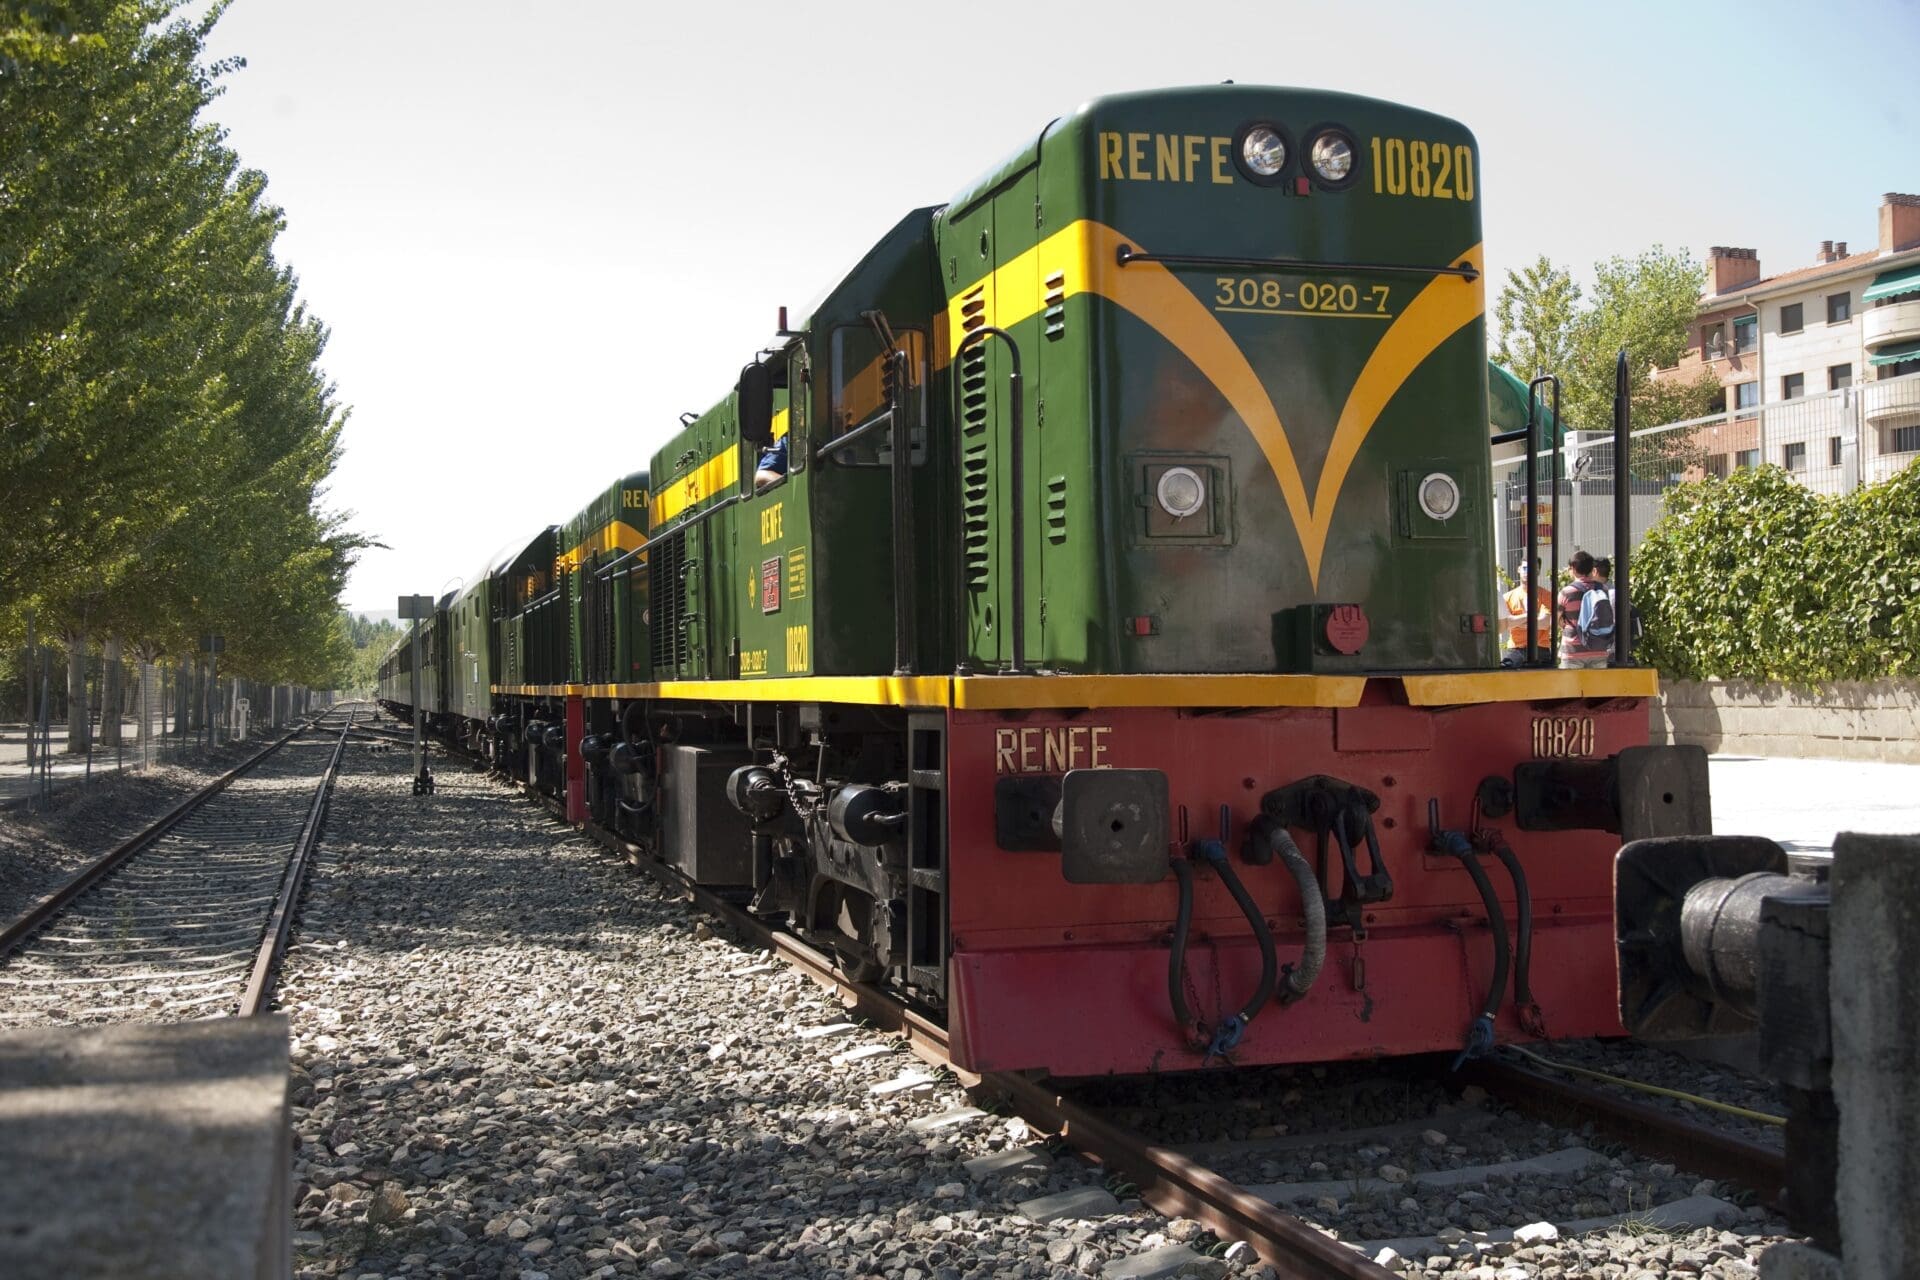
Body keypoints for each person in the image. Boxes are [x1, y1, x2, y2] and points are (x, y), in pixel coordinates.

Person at [1557, 550, 1610, 669]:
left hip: (1573, 651)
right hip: (1599, 649)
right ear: (1592, 569)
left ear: (1573, 569)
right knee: (1597, 688)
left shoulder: (1566, 592)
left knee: (1569, 688)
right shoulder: (1603, 590)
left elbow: (1555, 620)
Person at [1500, 560, 1553, 666]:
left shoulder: (1546, 595)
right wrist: (1531, 616)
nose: (1528, 572)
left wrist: (1516, 622)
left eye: (1533, 569)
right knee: (1504, 672)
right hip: (1516, 649)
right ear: (1519, 569)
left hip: (1540, 649)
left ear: (1538, 572)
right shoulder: (1507, 597)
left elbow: (1544, 623)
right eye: (1525, 568)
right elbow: (1506, 623)